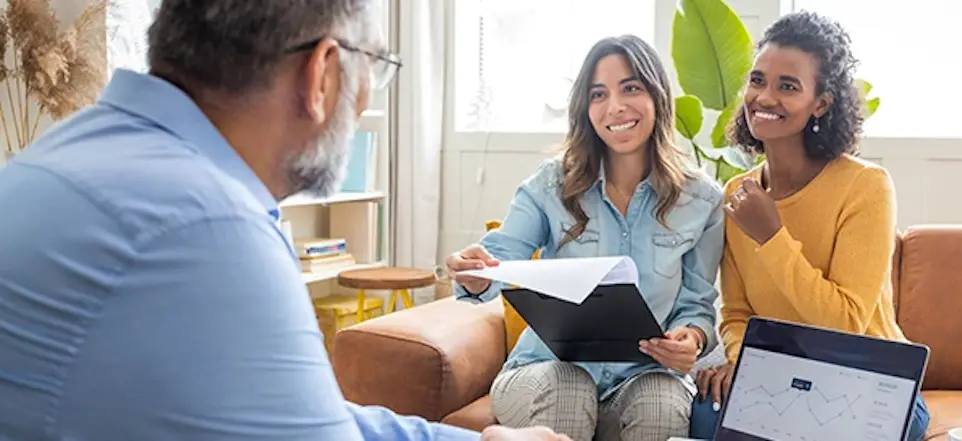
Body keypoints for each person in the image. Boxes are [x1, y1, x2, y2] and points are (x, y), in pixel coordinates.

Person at [0, 1, 566, 440]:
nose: (368, 93)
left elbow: (307, 418)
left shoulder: (66, 156)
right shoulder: (205, 225)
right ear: (321, 73)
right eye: (375, 68)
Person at [445, 35, 725, 441]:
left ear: (658, 96)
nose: (615, 107)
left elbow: (696, 304)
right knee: (569, 388)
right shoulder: (549, 184)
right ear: (586, 107)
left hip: (643, 375)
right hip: (544, 372)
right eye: (599, 94)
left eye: (631, 88)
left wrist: (691, 337)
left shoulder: (702, 199)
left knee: (662, 402)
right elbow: (500, 258)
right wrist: (476, 273)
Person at [687, 11, 931, 441]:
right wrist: (747, 366)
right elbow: (736, 312)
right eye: (758, 80)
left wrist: (772, 237)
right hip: (779, 379)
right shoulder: (738, 193)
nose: (764, 97)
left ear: (821, 103)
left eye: (788, 86)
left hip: (869, 380)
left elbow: (847, 323)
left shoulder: (866, 187)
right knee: (707, 418)